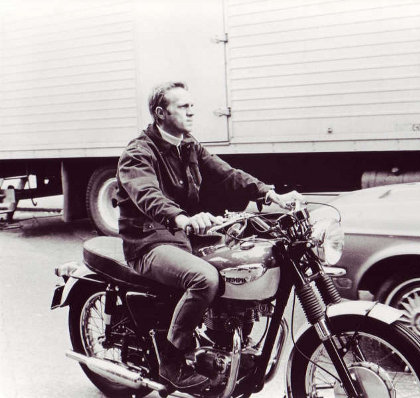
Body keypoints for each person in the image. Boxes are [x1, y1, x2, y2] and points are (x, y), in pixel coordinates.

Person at [116, 81, 303, 391]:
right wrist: (181, 217)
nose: (192, 111)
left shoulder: (188, 144)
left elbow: (227, 173)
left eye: (192, 105)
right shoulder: (139, 151)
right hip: (149, 240)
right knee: (205, 279)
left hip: (182, 234)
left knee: (240, 259)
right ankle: (171, 360)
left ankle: (222, 339)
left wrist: (271, 195)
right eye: (183, 106)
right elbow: (146, 193)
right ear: (161, 113)